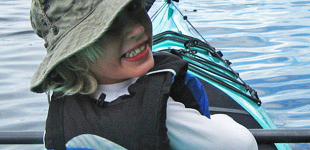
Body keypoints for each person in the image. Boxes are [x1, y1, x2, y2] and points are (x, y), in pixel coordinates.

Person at [28, 0, 257, 149]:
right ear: (74, 54)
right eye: (109, 26)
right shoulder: (165, 115)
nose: (136, 29)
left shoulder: (60, 113)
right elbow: (242, 144)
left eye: (133, 8)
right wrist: (220, 121)